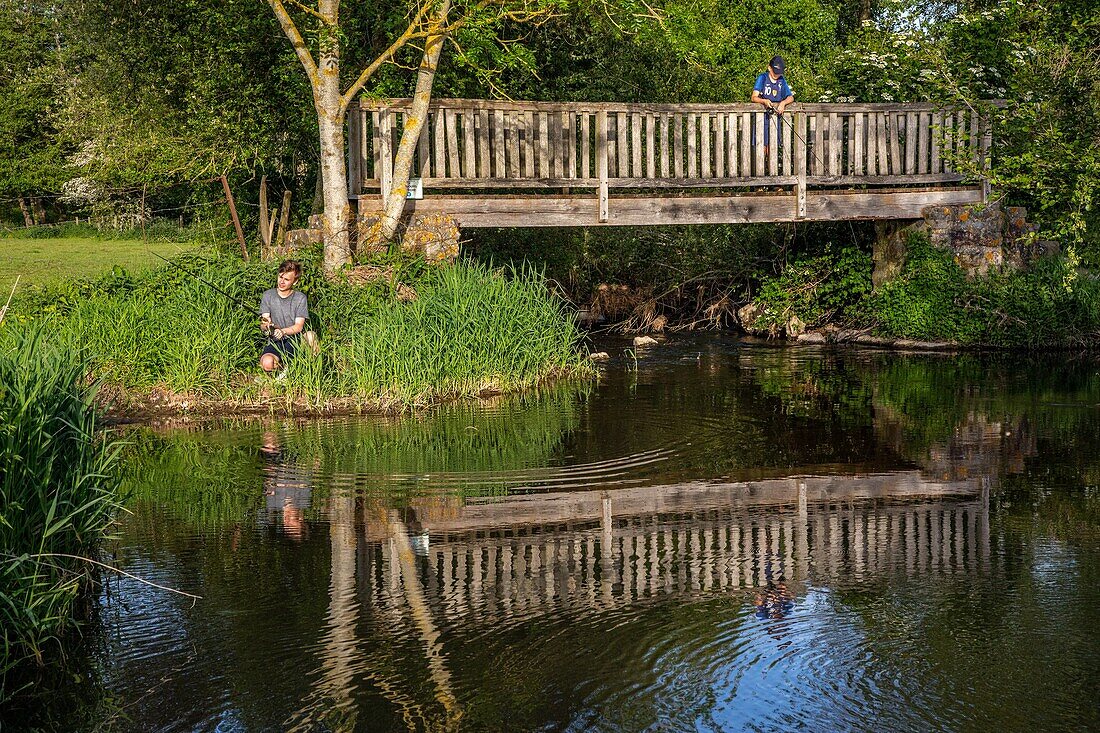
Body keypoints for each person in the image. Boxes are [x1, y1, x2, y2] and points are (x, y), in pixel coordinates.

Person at [259, 259, 314, 374]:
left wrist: (283, 331)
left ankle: (312, 371)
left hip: (295, 340)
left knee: (310, 336)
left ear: (295, 281)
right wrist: (267, 325)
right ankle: (283, 371)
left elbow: (299, 326)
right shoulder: (268, 295)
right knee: (267, 363)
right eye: (280, 277)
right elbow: (263, 324)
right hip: (275, 341)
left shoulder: (300, 298)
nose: (282, 282)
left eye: (286, 279)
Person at [751, 55, 795, 155]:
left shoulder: (781, 81)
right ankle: (761, 169)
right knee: (761, 147)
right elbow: (754, 97)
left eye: (779, 73)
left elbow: (791, 97)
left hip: (775, 119)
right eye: (775, 72)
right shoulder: (762, 78)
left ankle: (771, 170)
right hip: (761, 119)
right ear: (769, 68)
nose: (776, 75)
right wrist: (764, 101)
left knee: (773, 147)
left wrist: (783, 103)